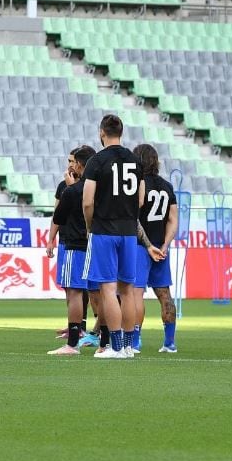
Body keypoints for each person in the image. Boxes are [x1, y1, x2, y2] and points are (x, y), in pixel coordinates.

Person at [82, 114, 147, 359]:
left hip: (105, 230)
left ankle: (116, 347)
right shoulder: (135, 161)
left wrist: (90, 225)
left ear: (102, 133)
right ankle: (129, 346)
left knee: (108, 289)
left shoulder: (97, 161)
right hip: (128, 231)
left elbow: (87, 201)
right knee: (127, 289)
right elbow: (140, 199)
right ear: (121, 132)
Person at [46, 146, 98, 355]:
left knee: (75, 291)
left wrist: (71, 190)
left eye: (73, 161)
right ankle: (105, 341)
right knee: (99, 292)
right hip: (96, 244)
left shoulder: (72, 189)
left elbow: (58, 215)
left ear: (79, 164)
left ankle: (73, 342)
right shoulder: (99, 186)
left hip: (74, 244)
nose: (70, 164)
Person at [131, 144, 179, 354]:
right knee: (165, 296)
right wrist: (165, 244)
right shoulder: (167, 187)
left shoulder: (137, 185)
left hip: (141, 246)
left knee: (135, 294)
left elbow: (132, 217)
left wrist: (148, 244)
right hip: (161, 248)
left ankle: (135, 340)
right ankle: (169, 343)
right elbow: (173, 219)